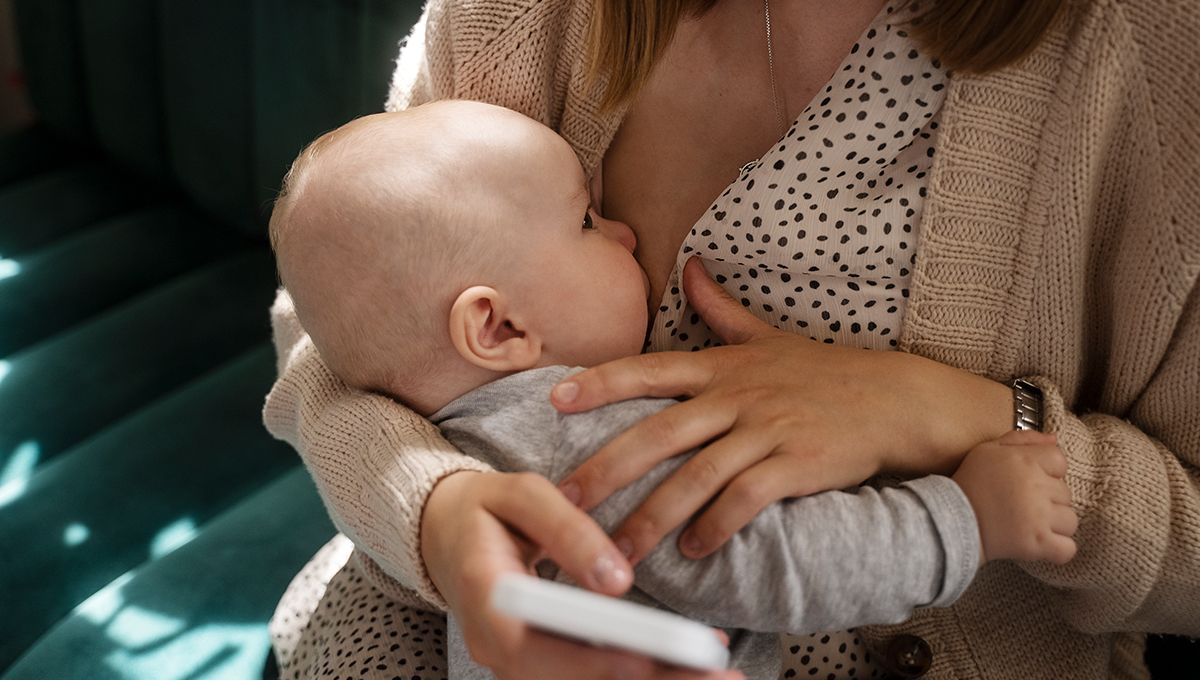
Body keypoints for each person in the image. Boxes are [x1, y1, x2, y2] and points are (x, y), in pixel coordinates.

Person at [265, 0, 1200, 678]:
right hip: (399, 616)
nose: (621, 234)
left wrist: (974, 418)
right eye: (591, 222)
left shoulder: (1156, 55)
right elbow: (344, 325)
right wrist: (433, 516)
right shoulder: (518, 18)